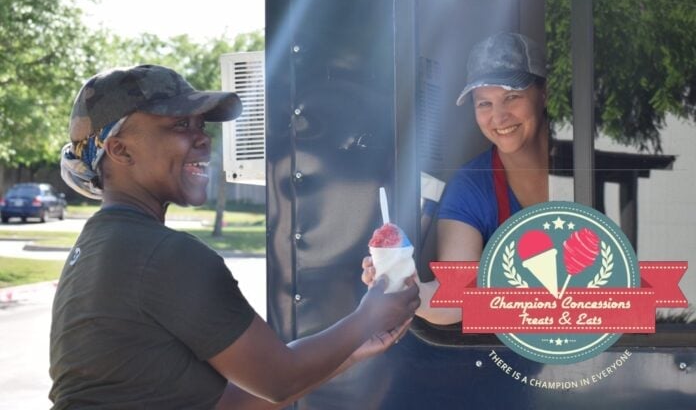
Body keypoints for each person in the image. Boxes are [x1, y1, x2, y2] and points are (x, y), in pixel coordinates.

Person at [49, 64, 420, 409]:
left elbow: (232, 402)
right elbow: (279, 379)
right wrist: (369, 316)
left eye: (200, 125)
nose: (203, 139)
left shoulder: (99, 246)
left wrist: (351, 349)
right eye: (180, 125)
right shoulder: (166, 256)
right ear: (120, 149)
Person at [363, 32, 549, 325]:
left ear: (544, 94)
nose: (498, 118)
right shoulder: (471, 186)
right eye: (484, 104)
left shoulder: (584, 165)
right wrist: (404, 288)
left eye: (511, 97)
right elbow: (457, 299)